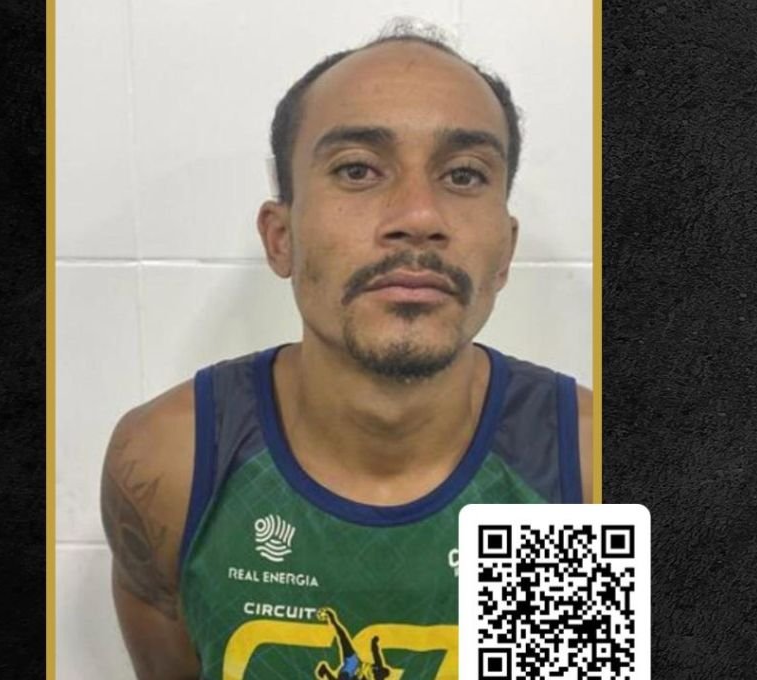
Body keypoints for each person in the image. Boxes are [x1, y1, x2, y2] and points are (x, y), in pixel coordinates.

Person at [100, 23, 593, 680]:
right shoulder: (172, 463)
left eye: (464, 174)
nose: (418, 216)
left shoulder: (581, 473)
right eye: (357, 170)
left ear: (504, 251)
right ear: (281, 238)